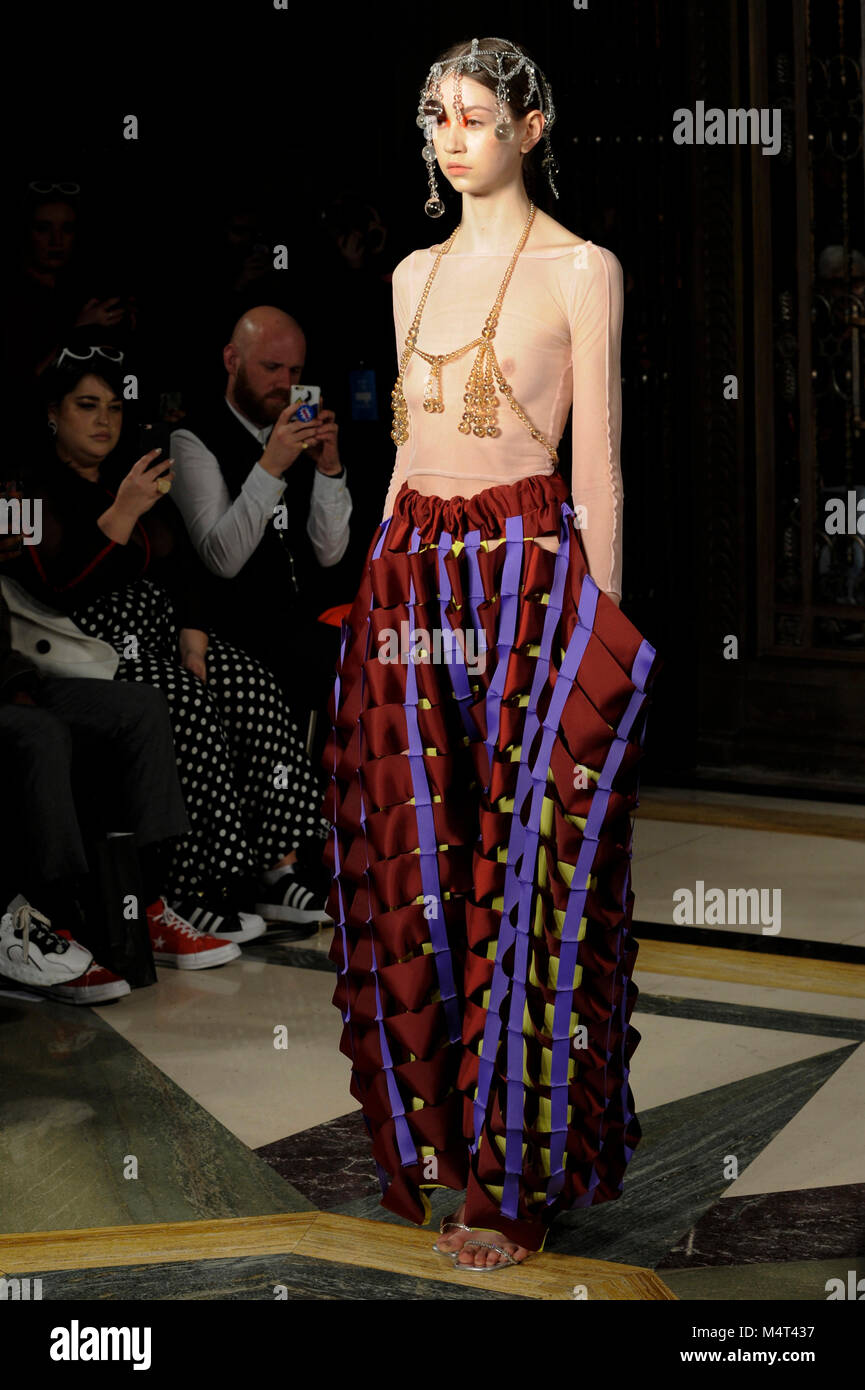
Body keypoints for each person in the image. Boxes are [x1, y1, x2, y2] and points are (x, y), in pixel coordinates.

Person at [323, 37, 661, 1271]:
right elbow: (403, 460)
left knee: (531, 869)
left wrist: (602, 645)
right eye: (434, 118)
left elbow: (599, 469)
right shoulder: (410, 275)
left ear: (531, 125)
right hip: (411, 579)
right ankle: (449, 1151)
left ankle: (516, 1182)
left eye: (474, 115)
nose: (451, 136)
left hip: (529, 577)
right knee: (419, 852)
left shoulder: (582, 267)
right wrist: (368, 597)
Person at [5, 351, 333, 933]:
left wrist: (195, 640)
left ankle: (277, 869)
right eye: (87, 406)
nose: (104, 420)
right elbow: (60, 585)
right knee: (182, 700)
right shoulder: (25, 486)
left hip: (158, 637)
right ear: (53, 413)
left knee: (248, 681)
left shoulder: (126, 472)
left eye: (112, 407)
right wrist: (126, 509)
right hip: (84, 647)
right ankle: (194, 885)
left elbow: (185, 568)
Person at [0, 579, 240, 993]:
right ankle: (51, 922)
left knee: (142, 706)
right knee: (43, 734)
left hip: (18, 668)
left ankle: (143, 904)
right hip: (20, 670)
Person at [168, 306, 353, 721]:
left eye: (295, 371)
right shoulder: (191, 438)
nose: (285, 385)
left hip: (306, 622)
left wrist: (328, 471)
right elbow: (223, 559)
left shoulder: (293, 429)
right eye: (272, 368)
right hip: (237, 632)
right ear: (232, 360)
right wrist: (271, 465)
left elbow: (330, 554)